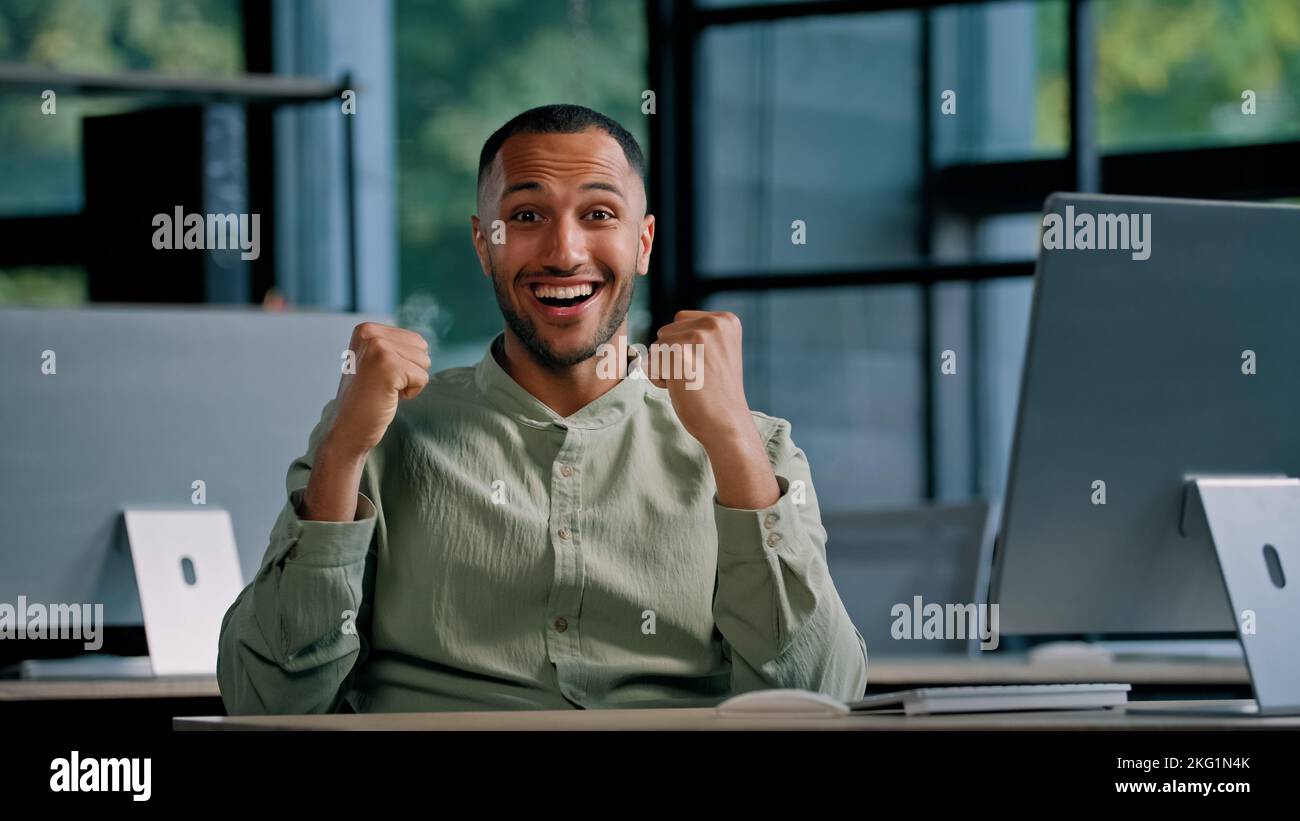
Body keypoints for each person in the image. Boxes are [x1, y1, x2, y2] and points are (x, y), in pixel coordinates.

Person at [217, 104, 868, 714]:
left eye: (599, 214)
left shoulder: (760, 449)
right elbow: (265, 700)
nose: (563, 252)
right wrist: (343, 455)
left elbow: (819, 700)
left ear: (643, 243)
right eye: (527, 216)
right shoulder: (375, 435)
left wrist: (733, 444)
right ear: (483, 244)